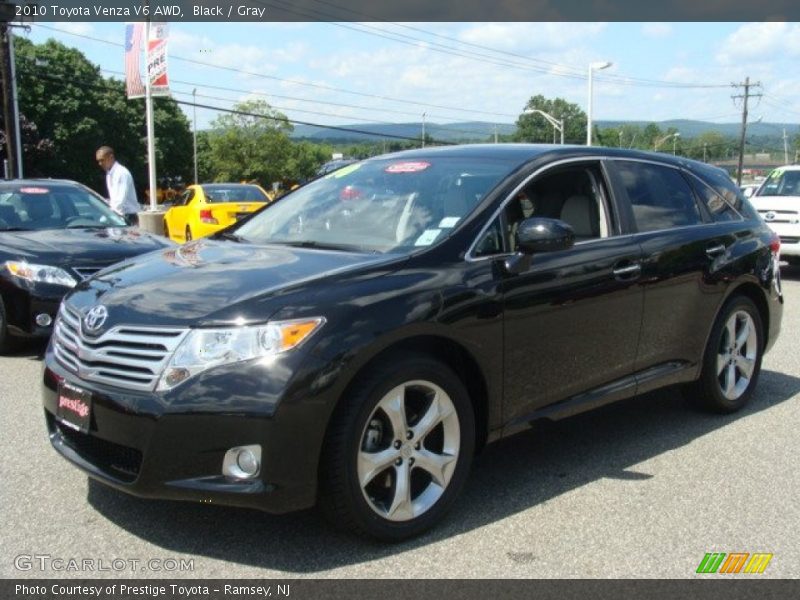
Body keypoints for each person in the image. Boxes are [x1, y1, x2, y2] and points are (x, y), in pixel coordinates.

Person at [95, 146, 140, 226]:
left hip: (127, 217)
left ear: (111, 157)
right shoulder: (109, 173)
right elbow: (114, 200)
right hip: (119, 217)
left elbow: (119, 201)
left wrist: (109, 216)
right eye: (98, 161)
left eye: (102, 160)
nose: (100, 163)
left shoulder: (121, 173)